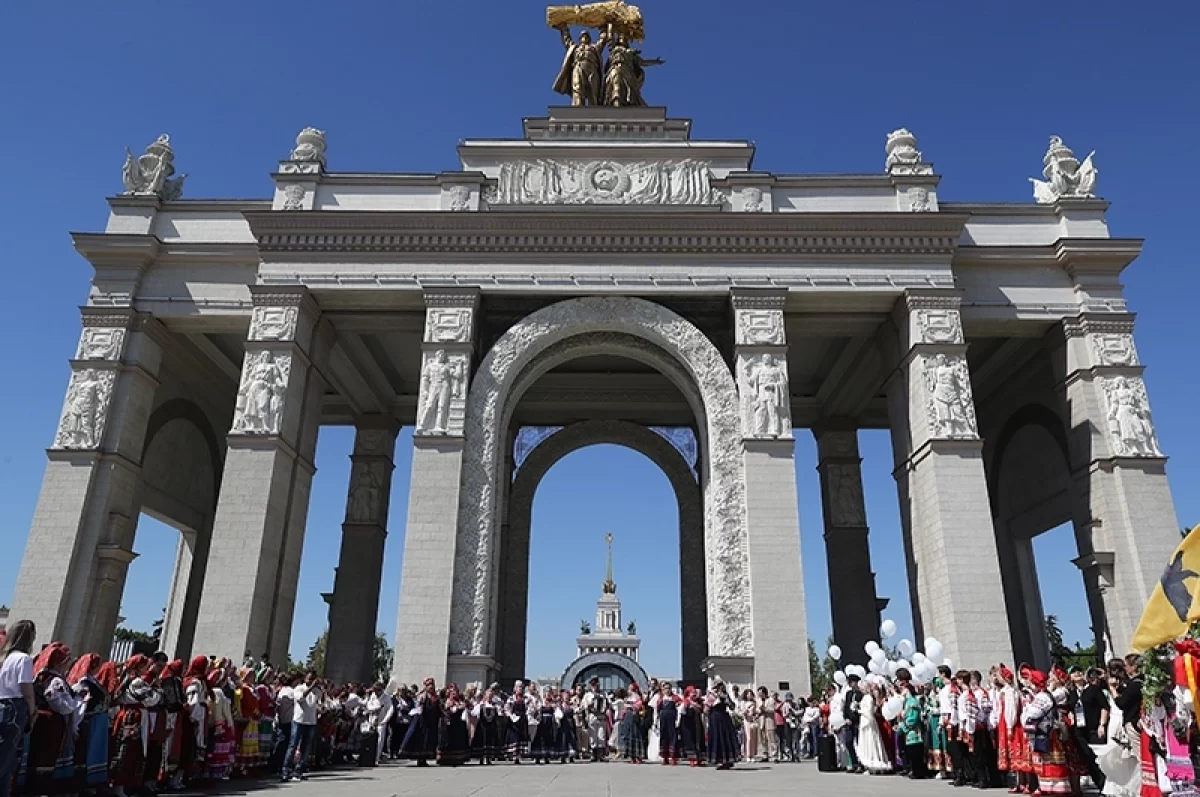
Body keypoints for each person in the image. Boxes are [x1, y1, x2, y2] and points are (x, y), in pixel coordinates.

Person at [20, 641, 78, 794]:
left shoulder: (42, 676)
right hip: (50, 722)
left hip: (43, 720)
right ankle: (37, 788)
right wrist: (72, 705)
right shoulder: (55, 680)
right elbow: (60, 704)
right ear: (61, 663)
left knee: (38, 754)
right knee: (45, 755)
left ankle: (34, 787)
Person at [0, 620, 36, 797]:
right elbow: (26, 689)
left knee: (6, 762)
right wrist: (32, 711)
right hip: (14, 708)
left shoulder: (4, 658)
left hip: (1, 704)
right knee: (6, 760)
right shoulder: (23, 659)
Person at [68, 652, 110, 791]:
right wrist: (75, 727)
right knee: (84, 752)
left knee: (93, 753)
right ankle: (80, 785)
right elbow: (80, 706)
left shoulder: (93, 681)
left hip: (97, 723)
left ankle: (91, 783)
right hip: (88, 723)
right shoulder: (84, 683)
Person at [282, 670, 321, 781]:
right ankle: (286, 770)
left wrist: (318, 687)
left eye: (313, 679)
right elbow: (300, 699)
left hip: (311, 721)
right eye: (309, 678)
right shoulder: (299, 688)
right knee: (292, 746)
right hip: (298, 721)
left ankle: (299, 770)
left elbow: (318, 701)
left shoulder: (317, 691)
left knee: (306, 748)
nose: (311, 681)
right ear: (305, 678)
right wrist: (311, 687)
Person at [705, 681, 740, 770]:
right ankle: (719, 760)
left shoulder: (725, 695)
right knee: (717, 738)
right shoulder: (712, 696)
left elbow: (732, 707)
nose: (721, 687)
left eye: (721, 685)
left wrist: (727, 700)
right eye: (718, 686)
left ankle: (728, 760)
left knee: (726, 738)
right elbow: (706, 710)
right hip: (715, 719)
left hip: (724, 718)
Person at [581, 678, 608, 762]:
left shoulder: (603, 694)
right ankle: (593, 754)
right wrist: (590, 705)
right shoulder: (587, 695)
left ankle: (601, 755)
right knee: (592, 736)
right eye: (593, 685)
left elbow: (607, 704)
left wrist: (605, 706)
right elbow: (584, 706)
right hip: (592, 716)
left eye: (596, 685)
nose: (595, 687)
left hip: (601, 716)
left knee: (601, 735)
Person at [678, 686, 706, 767]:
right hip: (688, 724)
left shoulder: (699, 702)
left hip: (697, 723)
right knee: (690, 741)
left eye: (695, 692)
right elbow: (681, 712)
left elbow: (702, 710)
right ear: (688, 693)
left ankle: (700, 759)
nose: (694, 693)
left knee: (699, 740)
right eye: (692, 692)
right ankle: (692, 759)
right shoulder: (685, 702)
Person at [503, 681, 530, 764]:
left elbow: (529, 708)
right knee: (514, 737)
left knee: (521, 737)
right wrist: (511, 716)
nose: (520, 689)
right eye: (519, 687)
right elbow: (507, 709)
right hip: (514, 721)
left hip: (522, 720)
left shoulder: (525, 698)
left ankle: (519, 756)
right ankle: (513, 756)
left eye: (521, 687)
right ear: (515, 688)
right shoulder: (511, 698)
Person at [657, 683, 679, 765]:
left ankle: (673, 757)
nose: (667, 690)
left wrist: (677, 720)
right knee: (664, 737)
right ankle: (665, 757)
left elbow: (679, 708)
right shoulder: (661, 699)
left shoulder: (675, 698)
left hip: (672, 720)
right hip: (663, 720)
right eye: (665, 688)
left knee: (672, 737)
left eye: (668, 688)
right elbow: (658, 710)